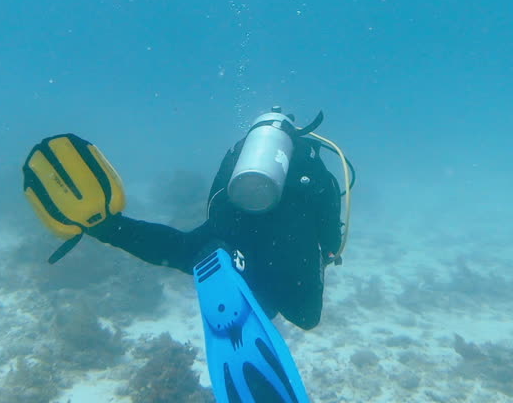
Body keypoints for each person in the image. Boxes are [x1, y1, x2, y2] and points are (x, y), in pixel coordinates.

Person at [25, 107, 351, 331]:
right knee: (305, 316)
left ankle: (109, 228)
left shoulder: (241, 153)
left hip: (230, 222)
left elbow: (216, 198)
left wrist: (215, 234)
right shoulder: (313, 161)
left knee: (184, 249)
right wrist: (326, 252)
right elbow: (331, 231)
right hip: (290, 234)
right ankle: (242, 271)